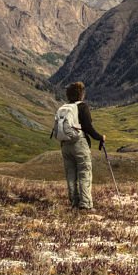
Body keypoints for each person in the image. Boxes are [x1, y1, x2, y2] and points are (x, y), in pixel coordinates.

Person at [61, 81, 105, 210]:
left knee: (70, 174)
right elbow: (88, 127)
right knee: (84, 173)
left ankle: (74, 202)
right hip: (79, 144)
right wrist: (100, 137)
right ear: (81, 94)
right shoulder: (82, 107)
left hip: (65, 145)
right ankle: (85, 204)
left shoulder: (65, 107)